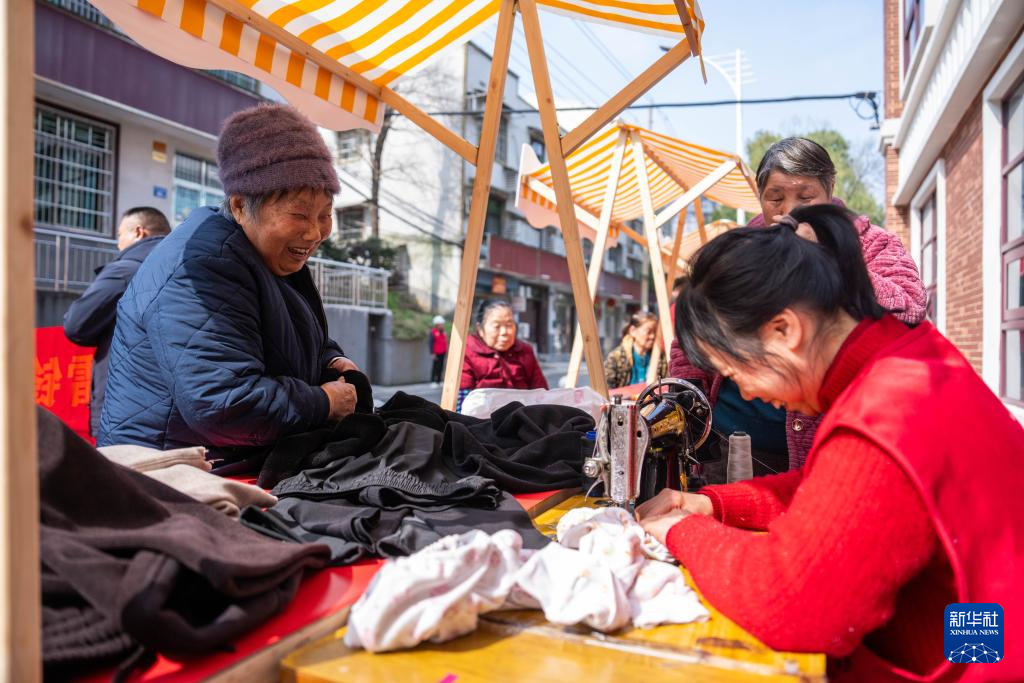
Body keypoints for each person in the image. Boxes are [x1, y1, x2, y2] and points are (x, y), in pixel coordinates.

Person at [638, 204, 1024, 683]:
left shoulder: (886, 413)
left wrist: (681, 531)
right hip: (985, 631)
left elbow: (794, 605)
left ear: (784, 330)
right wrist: (709, 503)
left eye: (737, 371)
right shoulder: (910, 358)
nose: (748, 392)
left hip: (980, 661)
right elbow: (832, 490)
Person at [99, 104, 358, 466]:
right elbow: (223, 404)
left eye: (325, 215)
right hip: (169, 469)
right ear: (239, 206)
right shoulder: (203, 266)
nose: (315, 232)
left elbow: (286, 335)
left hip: (227, 457)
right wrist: (324, 402)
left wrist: (331, 359)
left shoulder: (269, 254)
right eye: (299, 214)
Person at [669, 137, 927, 473]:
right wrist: (689, 397)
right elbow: (695, 335)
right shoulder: (742, 251)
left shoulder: (871, 244)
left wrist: (827, 258)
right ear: (760, 196)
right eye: (775, 198)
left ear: (830, 191)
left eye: (806, 197)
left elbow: (909, 307)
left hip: (828, 444)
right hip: (728, 443)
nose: (789, 211)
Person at [63, 206, 171, 437]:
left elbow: (76, 325)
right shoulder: (186, 268)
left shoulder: (125, 271)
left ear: (139, 232)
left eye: (120, 235)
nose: (118, 243)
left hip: (125, 408)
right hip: (178, 410)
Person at [460, 300, 547, 391]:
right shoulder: (466, 351)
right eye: (496, 326)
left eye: (509, 325)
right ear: (480, 329)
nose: (504, 332)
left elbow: (541, 390)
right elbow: (463, 394)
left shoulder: (525, 350)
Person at [603, 311, 668, 389]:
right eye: (649, 331)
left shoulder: (661, 357)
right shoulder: (616, 358)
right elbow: (607, 388)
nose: (652, 336)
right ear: (633, 331)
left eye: (655, 332)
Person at [429, 315, 448, 387]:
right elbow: (430, 343)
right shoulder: (433, 332)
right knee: (435, 367)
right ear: (437, 324)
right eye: (441, 324)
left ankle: (439, 381)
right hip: (436, 353)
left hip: (442, 352)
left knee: (441, 367)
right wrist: (432, 353)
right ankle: (433, 381)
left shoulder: (443, 332)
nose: (442, 325)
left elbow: (444, 342)